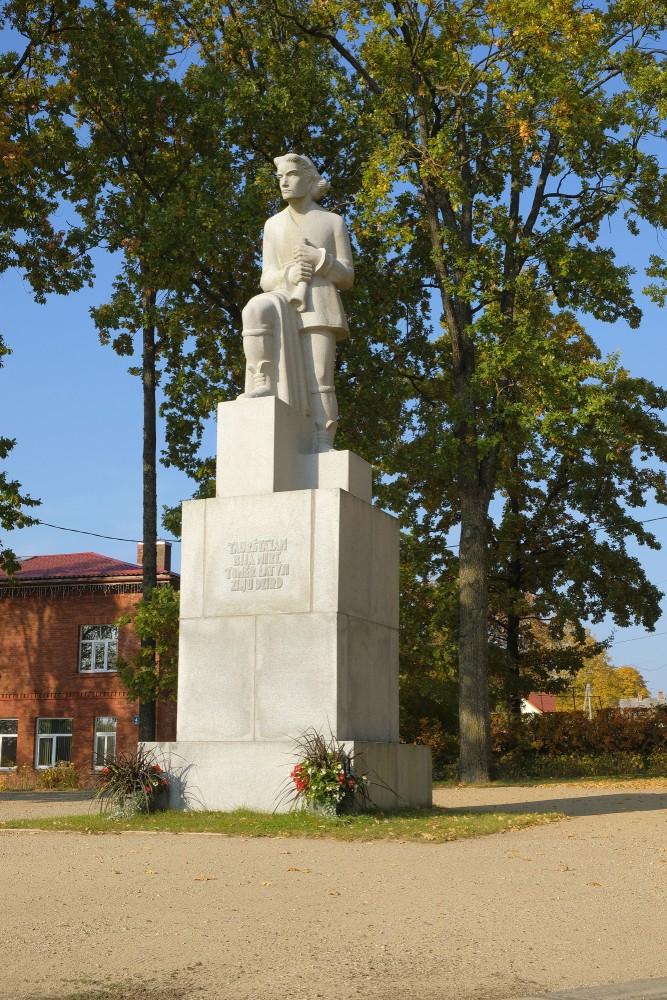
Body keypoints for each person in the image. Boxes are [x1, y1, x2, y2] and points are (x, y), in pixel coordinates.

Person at [241, 153, 354, 451]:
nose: (284, 182)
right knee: (254, 308)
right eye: (280, 178)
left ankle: (322, 438)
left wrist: (320, 259)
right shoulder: (273, 225)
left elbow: (347, 276)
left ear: (308, 180)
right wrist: (289, 273)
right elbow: (267, 278)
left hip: (320, 307)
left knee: (319, 374)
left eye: (290, 175)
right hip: (283, 300)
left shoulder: (332, 222)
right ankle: (261, 378)